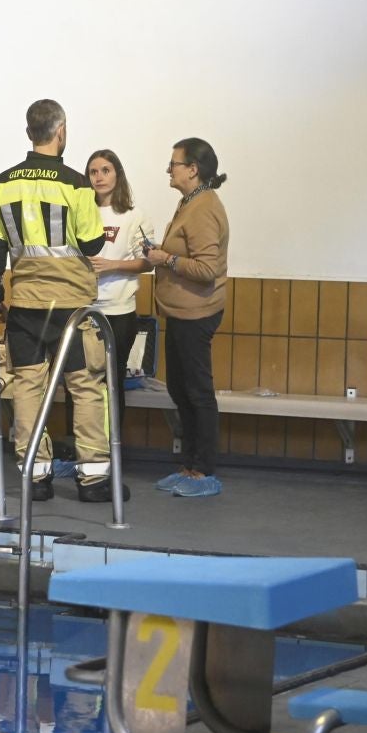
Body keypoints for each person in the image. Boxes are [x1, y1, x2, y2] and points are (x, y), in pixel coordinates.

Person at [0, 99, 127, 503]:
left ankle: (35, 475)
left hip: (26, 304)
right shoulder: (77, 184)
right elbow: (94, 242)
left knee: (27, 386)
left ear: (30, 131)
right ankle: (94, 479)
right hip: (72, 306)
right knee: (85, 386)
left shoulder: (4, 182)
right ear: (60, 131)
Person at [143, 138, 229, 498]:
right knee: (180, 389)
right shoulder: (189, 202)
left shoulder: (205, 206)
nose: (169, 169)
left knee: (197, 392)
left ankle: (204, 470)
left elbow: (207, 268)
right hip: (180, 311)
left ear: (193, 169)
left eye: (174, 164)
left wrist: (166, 260)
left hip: (197, 312)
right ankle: (190, 466)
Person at [85, 149, 159, 427]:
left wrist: (111, 266)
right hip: (84, 310)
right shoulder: (81, 211)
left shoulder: (134, 215)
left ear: (117, 174)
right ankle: (81, 451)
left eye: (106, 170)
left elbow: (147, 263)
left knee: (112, 381)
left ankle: (111, 450)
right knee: (79, 381)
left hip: (118, 310)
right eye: (93, 171)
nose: (99, 177)